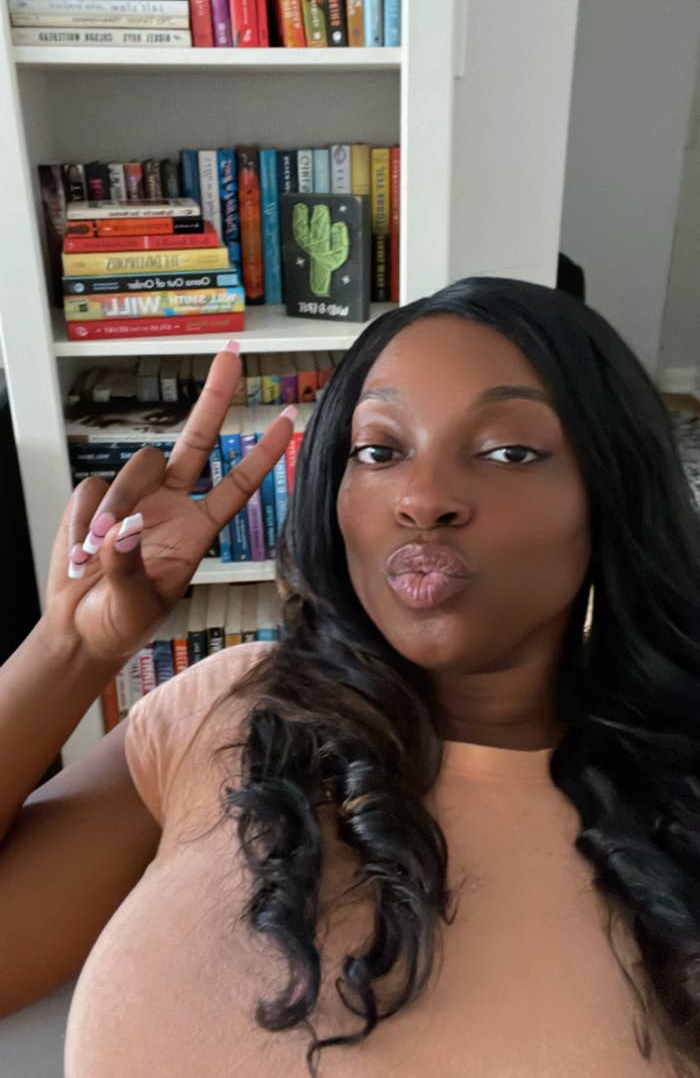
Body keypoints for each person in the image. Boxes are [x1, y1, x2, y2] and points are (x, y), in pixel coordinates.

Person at [1, 276, 699, 1078]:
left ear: (611, 492)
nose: (423, 498)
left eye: (509, 450)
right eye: (380, 451)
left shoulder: (680, 800)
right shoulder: (224, 708)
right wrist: (70, 649)